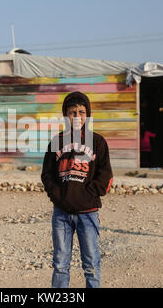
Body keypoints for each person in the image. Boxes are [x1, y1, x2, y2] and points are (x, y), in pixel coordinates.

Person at [41, 91, 113, 288]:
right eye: (72, 112)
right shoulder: (56, 142)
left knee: (90, 264)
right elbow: (47, 175)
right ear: (65, 115)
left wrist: (87, 195)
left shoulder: (98, 142)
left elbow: (106, 176)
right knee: (60, 264)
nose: (77, 116)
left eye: (81, 112)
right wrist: (58, 197)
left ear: (87, 115)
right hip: (61, 213)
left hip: (88, 213)